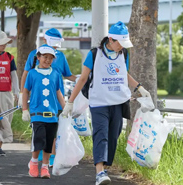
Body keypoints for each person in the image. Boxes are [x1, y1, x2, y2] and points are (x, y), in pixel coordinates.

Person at [61, 21, 151, 185]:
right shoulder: (95, 54)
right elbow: (82, 79)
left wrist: (139, 87)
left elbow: (124, 74)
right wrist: (70, 102)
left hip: (118, 102)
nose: (122, 47)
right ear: (111, 39)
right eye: (120, 43)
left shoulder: (123, 54)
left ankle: (104, 167)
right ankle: (99, 172)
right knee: (100, 135)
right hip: (99, 103)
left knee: (113, 136)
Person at [19, 28, 76, 167]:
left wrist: (82, 79)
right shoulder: (34, 55)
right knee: (39, 131)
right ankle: (38, 156)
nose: (49, 59)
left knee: (53, 131)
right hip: (38, 102)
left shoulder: (60, 56)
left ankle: (51, 158)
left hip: (56, 100)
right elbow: (26, 75)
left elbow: (67, 74)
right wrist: (22, 97)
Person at [21, 45, 65, 178]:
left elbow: (58, 92)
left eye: (50, 58)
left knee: (49, 141)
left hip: (52, 114)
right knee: (39, 139)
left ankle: (45, 167)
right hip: (37, 113)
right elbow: (26, 91)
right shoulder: (32, 73)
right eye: (45, 57)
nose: (47, 60)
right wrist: (24, 109)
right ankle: (34, 163)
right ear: (38, 57)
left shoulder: (56, 74)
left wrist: (65, 107)